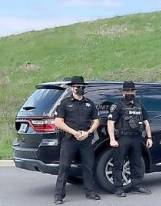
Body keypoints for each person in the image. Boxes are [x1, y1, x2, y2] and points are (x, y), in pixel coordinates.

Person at [52, 76, 101, 204]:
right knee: (64, 167)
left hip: (86, 139)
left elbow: (96, 120)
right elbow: (58, 122)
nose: (79, 88)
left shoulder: (89, 103)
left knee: (88, 166)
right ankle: (59, 196)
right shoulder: (65, 103)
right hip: (69, 139)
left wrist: (88, 132)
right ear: (72, 88)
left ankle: (90, 192)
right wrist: (74, 132)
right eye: (77, 86)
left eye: (81, 86)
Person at [107, 81, 153, 197]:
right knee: (118, 163)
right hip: (123, 138)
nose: (129, 93)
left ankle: (137, 185)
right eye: (127, 91)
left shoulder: (139, 104)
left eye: (131, 91)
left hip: (137, 138)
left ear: (135, 92)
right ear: (123, 93)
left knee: (136, 163)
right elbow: (110, 122)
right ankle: (118, 188)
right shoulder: (118, 105)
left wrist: (149, 137)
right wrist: (112, 139)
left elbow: (146, 122)